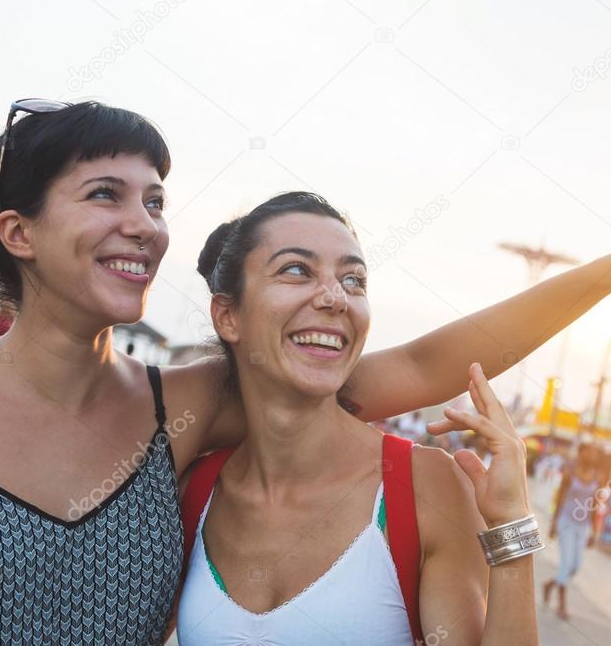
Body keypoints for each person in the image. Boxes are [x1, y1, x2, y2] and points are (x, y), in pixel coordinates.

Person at [0, 98, 611, 644]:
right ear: (17, 233)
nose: (144, 224)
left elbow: (428, 362)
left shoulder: (179, 413)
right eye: (104, 195)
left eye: (153, 200)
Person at [175, 195, 539, 644]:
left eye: (354, 280)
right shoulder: (194, 493)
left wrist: (512, 530)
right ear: (228, 316)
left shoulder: (421, 486)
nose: (335, 297)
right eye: (296, 269)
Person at [542, 443, 603, 620]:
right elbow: (560, 497)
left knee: (575, 566)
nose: (592, 455)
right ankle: (562, 605)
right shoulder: (570, 472)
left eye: (594, 453)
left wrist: (594, 532)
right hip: (566, 521)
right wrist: (553, 523)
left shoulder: (597, 477)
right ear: (581, 453)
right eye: (589, 452)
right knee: (566, 563)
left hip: (583, 526)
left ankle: (549, 585)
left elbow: (595, 504)